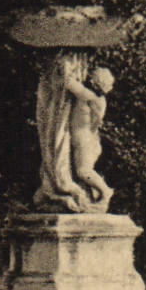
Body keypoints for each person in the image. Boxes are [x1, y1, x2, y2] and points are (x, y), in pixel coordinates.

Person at [33, 50, 103, 213]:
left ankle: (96, 192)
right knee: (72, 162)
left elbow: (72, 85)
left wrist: (67, 78)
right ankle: (63, 186)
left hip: (79, 136)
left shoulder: (91, 97)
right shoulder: (91, 96)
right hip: (70, 128)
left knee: (81, 168)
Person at [70, 65, 114, 212]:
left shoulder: (90, 97)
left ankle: (105, 191)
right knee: (80, 170)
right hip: (86, 139)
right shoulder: (99, 99)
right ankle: (89, 195)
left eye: (92, 78)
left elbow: (69, 83)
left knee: (83, 171)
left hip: (85, 140)